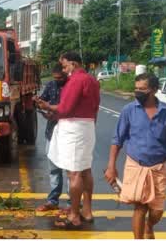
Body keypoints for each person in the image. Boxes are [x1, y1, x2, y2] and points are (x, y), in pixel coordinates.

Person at [104, 73, 166, 240]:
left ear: (154, 90)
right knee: (140, 208)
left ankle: (149, 225)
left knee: (157, 211)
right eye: (136, 89)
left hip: (158, 167)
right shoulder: (129, 110)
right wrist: (111, 166)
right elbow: (117, 140)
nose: (137, 92)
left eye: (142, 89)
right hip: (136, 164)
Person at [35, 51, 100, 229]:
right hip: (87, 126)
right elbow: (94, 107)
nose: (63, 70)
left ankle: (74, 215)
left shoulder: (76, 80)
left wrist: (47, 105)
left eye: (64, 66)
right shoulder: (92, 80)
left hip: (73, 128)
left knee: (74, 174)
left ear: (73, 64)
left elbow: (65, 109)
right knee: (85, 170)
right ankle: (86, 210)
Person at [35, 65, 68, 213]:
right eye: (55, 78)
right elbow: (42, 101)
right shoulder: (51, 85)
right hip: (51, 131)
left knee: (70, 170)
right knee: (54, 168)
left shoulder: (72, 86)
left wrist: (53, 110)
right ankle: (53, 200)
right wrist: (41, 106)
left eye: (60, 78)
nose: (57, 81)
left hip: (68, 132)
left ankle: (72, 204)